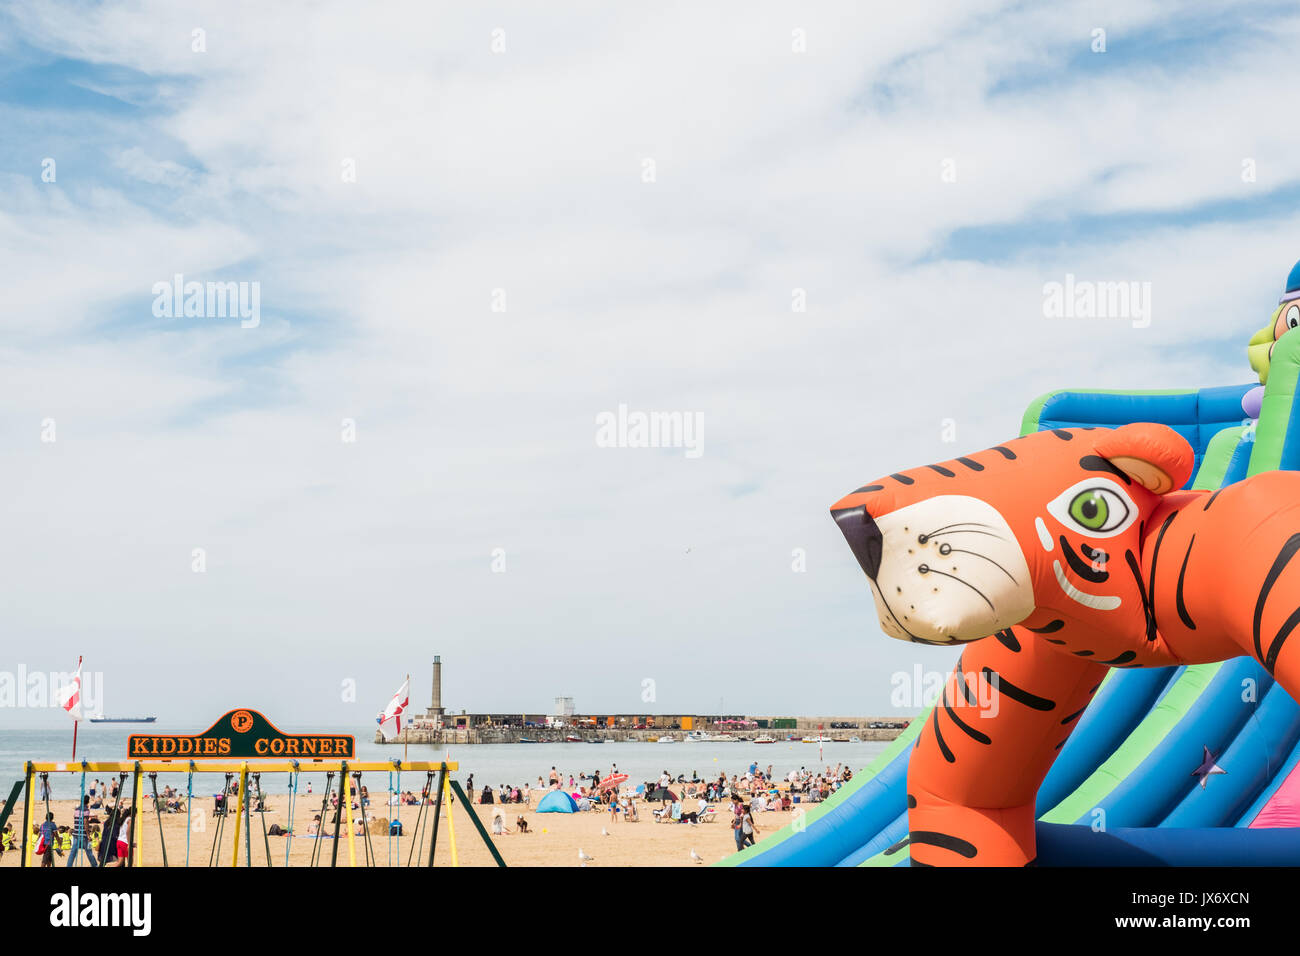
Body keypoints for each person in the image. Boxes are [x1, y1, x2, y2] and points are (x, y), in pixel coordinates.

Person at [67, 795, 97, 867]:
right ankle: (95, 865)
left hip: (76, 833)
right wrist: (88, 835)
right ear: (88, 801)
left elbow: (76, 819)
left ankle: (68, 865)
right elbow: (85, 823)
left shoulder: (76, 809)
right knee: (89, 852)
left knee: (73, 852)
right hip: (83, 835)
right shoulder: (86, 810)